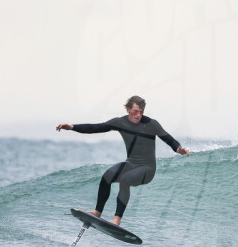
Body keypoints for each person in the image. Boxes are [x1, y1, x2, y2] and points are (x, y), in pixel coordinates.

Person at [56, 95, 189, 226]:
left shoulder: (151, 124)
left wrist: (178, 149)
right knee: (107, 176)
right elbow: (95, 128)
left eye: (141, 112)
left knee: (125, 179)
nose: (138, 115)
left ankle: (117, 220)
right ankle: (97, 212)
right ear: (128, 109)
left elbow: (169, 139)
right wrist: (72, 127)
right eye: (135, 111)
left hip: (147, 169)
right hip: (131, 164)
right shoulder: (121, 123)